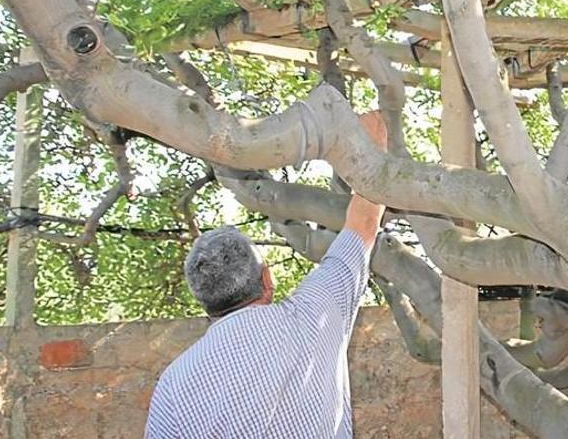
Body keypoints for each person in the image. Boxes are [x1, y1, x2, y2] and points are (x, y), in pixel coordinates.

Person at [144, 111, 388, 438]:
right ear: (267, 280)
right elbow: (364, 223)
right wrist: (371, 136)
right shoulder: (314, 314)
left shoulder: (175, 385)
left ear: (205, 301)